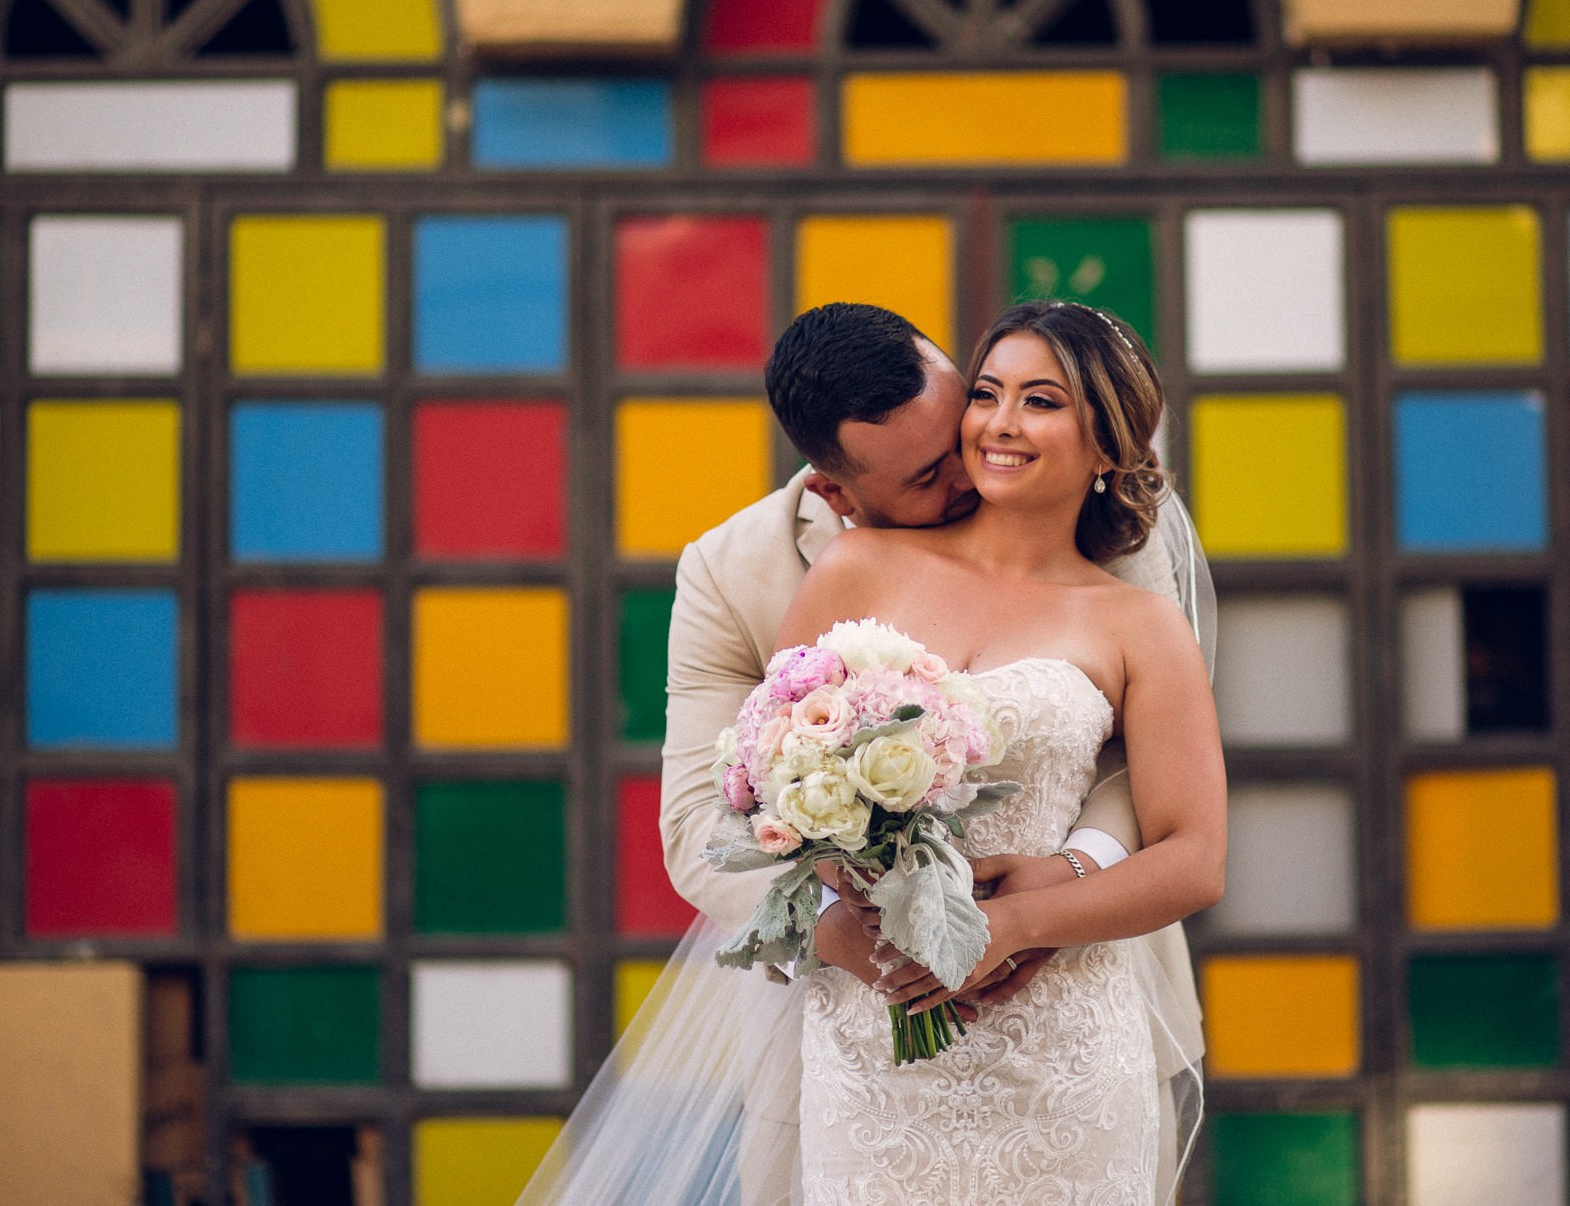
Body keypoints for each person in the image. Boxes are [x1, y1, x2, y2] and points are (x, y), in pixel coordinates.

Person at [516, 303, 1220, 1205]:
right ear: (837, 492)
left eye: (1025, 401)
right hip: (867, 1027)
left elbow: (1163, 798)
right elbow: (733, 801)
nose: (982, 444)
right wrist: (848, 925)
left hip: (1067, 1030)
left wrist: (1041, 902)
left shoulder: (1132, 599)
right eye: (983, 405)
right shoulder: (811, 572)